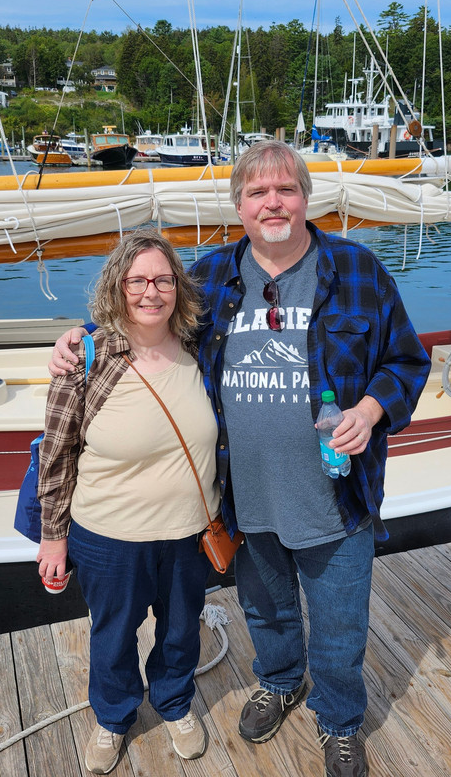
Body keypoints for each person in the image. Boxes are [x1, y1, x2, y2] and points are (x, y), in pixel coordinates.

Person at [50, 141, 430, 777]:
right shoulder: (214, 276)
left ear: (306, 198)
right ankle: (280, 681)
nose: (272, 202)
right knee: (268, 611)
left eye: (285, 189)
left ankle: (338, 721)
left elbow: (406, 361)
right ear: (240, 206)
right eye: (257, 193)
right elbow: (147, 312)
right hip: (243, 499)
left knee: (339, 628)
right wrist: (81, 338)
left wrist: (369, 411)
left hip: (335, 497)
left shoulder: (358, 270)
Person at [37, 227, 219, 775]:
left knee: (182, 629)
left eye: (163, 279)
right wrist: (53, 535)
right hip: (109, 535)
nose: (150, 292)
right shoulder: (88, 357)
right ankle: (113, 718)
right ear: (117, 287)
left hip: (189, 531)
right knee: (112, 635)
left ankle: (174, 703)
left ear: (178, 288)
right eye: (137, 280)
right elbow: (56, 452)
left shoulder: (199, 348)